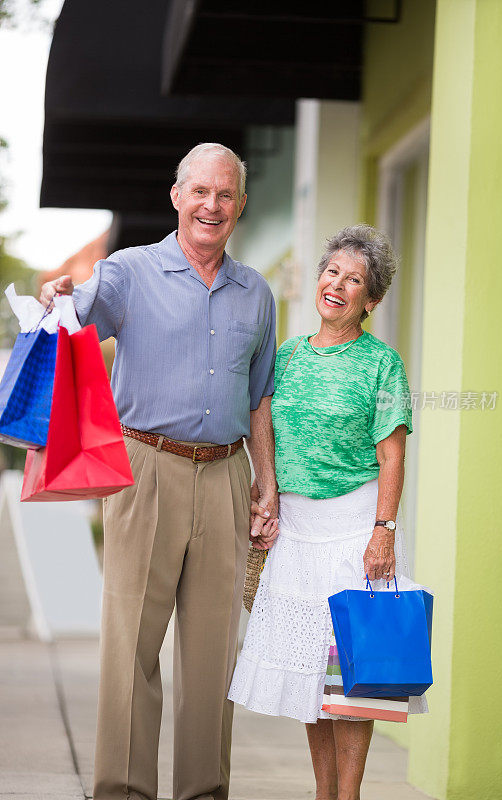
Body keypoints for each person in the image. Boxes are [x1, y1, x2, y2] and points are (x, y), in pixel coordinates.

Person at [40, 143, 279, 800]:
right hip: (144, 467)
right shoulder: (128, 270)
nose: (211, 205)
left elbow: (259, 397)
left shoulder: (255, 292)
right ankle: (122, 791)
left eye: (224, 195)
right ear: (176, 196)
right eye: (199, 191)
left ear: (240, 205)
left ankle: (203, 792)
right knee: (130, 649)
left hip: (226, 475)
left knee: (211, 659)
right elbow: (79, 311)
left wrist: (267, 489)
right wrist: (59, 294)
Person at [229, 225, 428, 800]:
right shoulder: (287, 357)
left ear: (372, 300)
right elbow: (261, 429)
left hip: (353, 531)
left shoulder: (381, 364)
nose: (337, 285)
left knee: (353, 679)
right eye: (332, 272)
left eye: (355, 279)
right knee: (311, 684)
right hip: (295, 533)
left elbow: (393, 457)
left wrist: (383, 532)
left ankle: (349, 794)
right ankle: (324, 795)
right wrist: (266, 497)